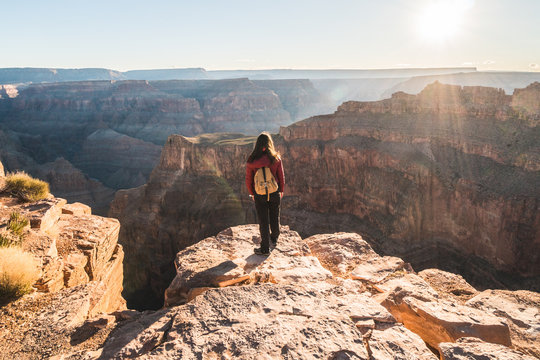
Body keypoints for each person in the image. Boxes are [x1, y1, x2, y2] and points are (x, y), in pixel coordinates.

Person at [245, 132, 285, 256]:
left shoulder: (252, 161)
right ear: (269, 144)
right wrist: (281, 190)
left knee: (263, 220)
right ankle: (274, 238)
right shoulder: (275, 158)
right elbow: (281, 176)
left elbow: (249, 180)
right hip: (274, 192)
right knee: (274, 215)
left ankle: (265, 248)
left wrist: (252, 193)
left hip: (259, 194)